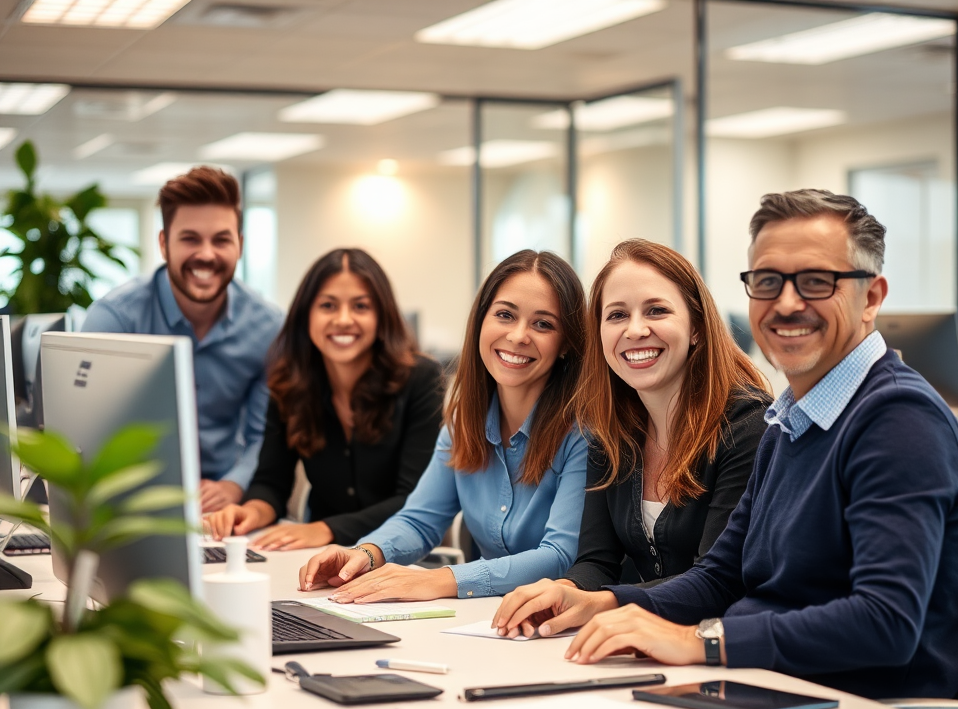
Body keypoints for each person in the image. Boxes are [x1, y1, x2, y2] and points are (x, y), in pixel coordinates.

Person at [496, 190, 958, 701]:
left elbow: (885, 622)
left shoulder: (898, 420)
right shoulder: (791, 421)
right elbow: (722, 577)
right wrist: (608, 601)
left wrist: (702, 642)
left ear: (872, 298)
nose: (787, 303)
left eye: (816, 282)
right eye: (768, 282)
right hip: (766, 685)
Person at [493, 239, 771, 638]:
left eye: (656, 310)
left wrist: (603, 602)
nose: (636, 330)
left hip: (722, 653)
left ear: (695, 327)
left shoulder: (746, 425)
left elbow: (720, 582)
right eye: (617, 315)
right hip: (639, 644)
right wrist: (563, 592)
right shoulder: (611, 430)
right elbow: (596, 561)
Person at [298, 249, 588, 601]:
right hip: (490, 621)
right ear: (481, 321)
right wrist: (365, 554)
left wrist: (440, 580)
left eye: (543, 324)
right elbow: (420, 521)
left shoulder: (582, 435)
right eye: (505, 315)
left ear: (566, 344)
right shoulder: (462, 424)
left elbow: (559, 557)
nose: (518, 335)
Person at [202, 248, 445, 550]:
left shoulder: (422, 379)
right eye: (328, 305)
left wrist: (327, 529)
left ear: (381, 316)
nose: (343, 320)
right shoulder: (289, 383)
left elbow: (414, 499)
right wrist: (250, 512)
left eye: (360, 306)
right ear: (306, 315)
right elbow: (271, 482)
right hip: (315, 554)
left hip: (400, 555)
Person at [82, 166, 283, 513]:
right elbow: (89, 429)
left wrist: (234, 485)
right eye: (190, 238)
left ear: (240, 244)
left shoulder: (270, 328)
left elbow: (263, 434)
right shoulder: (113, 320)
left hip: (222, 507)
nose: (206, 254)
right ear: (164, 244)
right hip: (131, 503)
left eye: (221, 239)